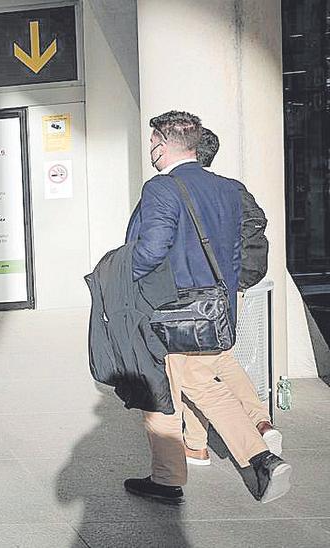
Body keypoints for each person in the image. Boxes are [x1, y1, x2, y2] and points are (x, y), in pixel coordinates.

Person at [123, 111, 290, 505]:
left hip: (174, 310)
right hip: (214, 308)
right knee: (178, 386)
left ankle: (257, 457)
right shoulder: (227, 188)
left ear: (162, 145)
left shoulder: (161, 188)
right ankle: (175, 471)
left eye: (152, 143)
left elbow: (151, 249)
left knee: (176, 388)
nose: (151, 149)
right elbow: (232, 255)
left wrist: (122, 275)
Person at [181, 128, 282, 466]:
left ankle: (239, 445)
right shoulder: (231, 188)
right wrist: (242, 277)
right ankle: (251, 424)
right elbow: (256, 223)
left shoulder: (195, 190)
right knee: (215, 359)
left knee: (195, 369)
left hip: (200, 293)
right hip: (227, 292)